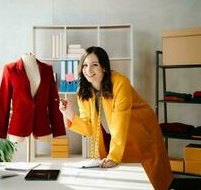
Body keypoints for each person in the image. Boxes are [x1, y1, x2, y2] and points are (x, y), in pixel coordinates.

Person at [59, 46, 172, 190]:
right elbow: (89, 128)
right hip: (114, 137)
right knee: (123, 178)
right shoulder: (83, 92)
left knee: (147, 177)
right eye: (85, 65)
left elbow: (120, 120)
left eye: (95, 65)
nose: (88, 70)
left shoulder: (120, 83)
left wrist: (113, 155)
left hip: (139, 129)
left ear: (104, 68)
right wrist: (69, 114)